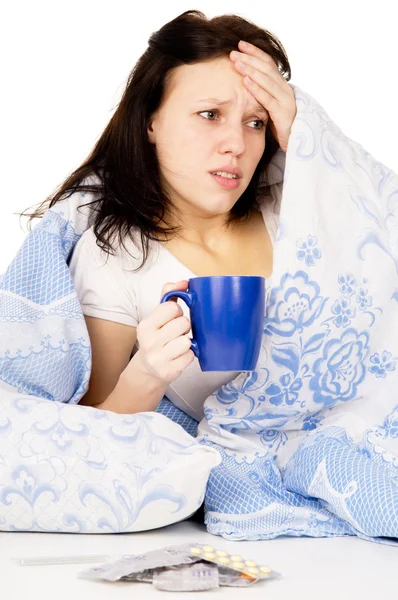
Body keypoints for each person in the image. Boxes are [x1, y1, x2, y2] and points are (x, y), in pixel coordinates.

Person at [18, 9, 297, 421]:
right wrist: (147, 374)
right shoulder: (113, 257)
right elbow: (87, 436)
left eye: (255, 122)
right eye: (210, 114)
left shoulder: (298, 213)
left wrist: (312, 152)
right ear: (152, 120)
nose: (236, 143)